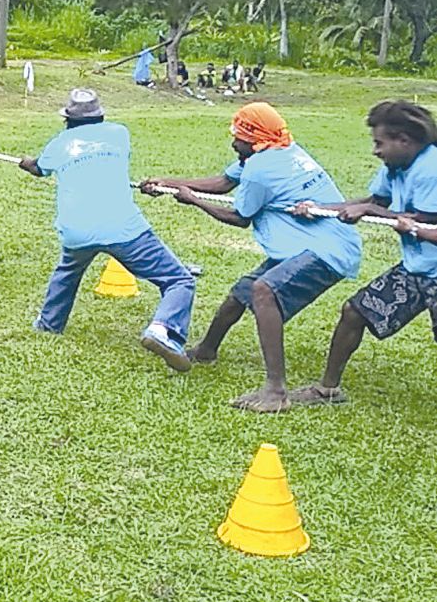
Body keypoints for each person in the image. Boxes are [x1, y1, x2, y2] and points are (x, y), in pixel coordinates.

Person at [141, 102, 362, 413]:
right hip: (306, 244)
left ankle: (275, 391)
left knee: (263, 291)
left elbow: (239, 217)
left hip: (326, 250)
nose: (233, 143)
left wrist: (194, 201)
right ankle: (206, 350)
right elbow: (222, 183)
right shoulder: (280, 149)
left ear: (255, 139)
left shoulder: (260, 168)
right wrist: (167, 183)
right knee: (240, 293)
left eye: (239, 137)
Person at [19, 88, 195, 369]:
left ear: (68, 120)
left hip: (77, 230)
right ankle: (162, 330)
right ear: (100, 116)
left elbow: (39, 168)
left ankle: (49, 324)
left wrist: (27, 163)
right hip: (123, 227)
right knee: (179, 280)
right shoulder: (119, 133)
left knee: (68, 271)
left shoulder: (59, 143)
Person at [291, 101, 437, 405]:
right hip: (418, 268)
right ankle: (327, 390)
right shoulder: (396, 167)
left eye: (379, 143)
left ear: (404, 140)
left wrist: (369, 210)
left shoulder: (430, 169)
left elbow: (424, 221)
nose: (375, 151)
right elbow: (375, 200)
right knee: (354, 312)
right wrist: (320, 208)